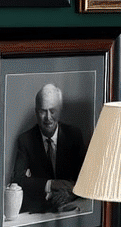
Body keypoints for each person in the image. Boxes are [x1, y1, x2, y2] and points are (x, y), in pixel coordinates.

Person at [10, 82, 85, 213]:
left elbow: (87, 177)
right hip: (40, 209)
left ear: (60, 111)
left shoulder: (74, 135)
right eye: (43, 111)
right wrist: (51, 184)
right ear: (36, 112)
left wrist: (70, 194)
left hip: (74, 206)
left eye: (52, 111)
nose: (48, 118)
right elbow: (17, 180)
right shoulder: (25, 140)